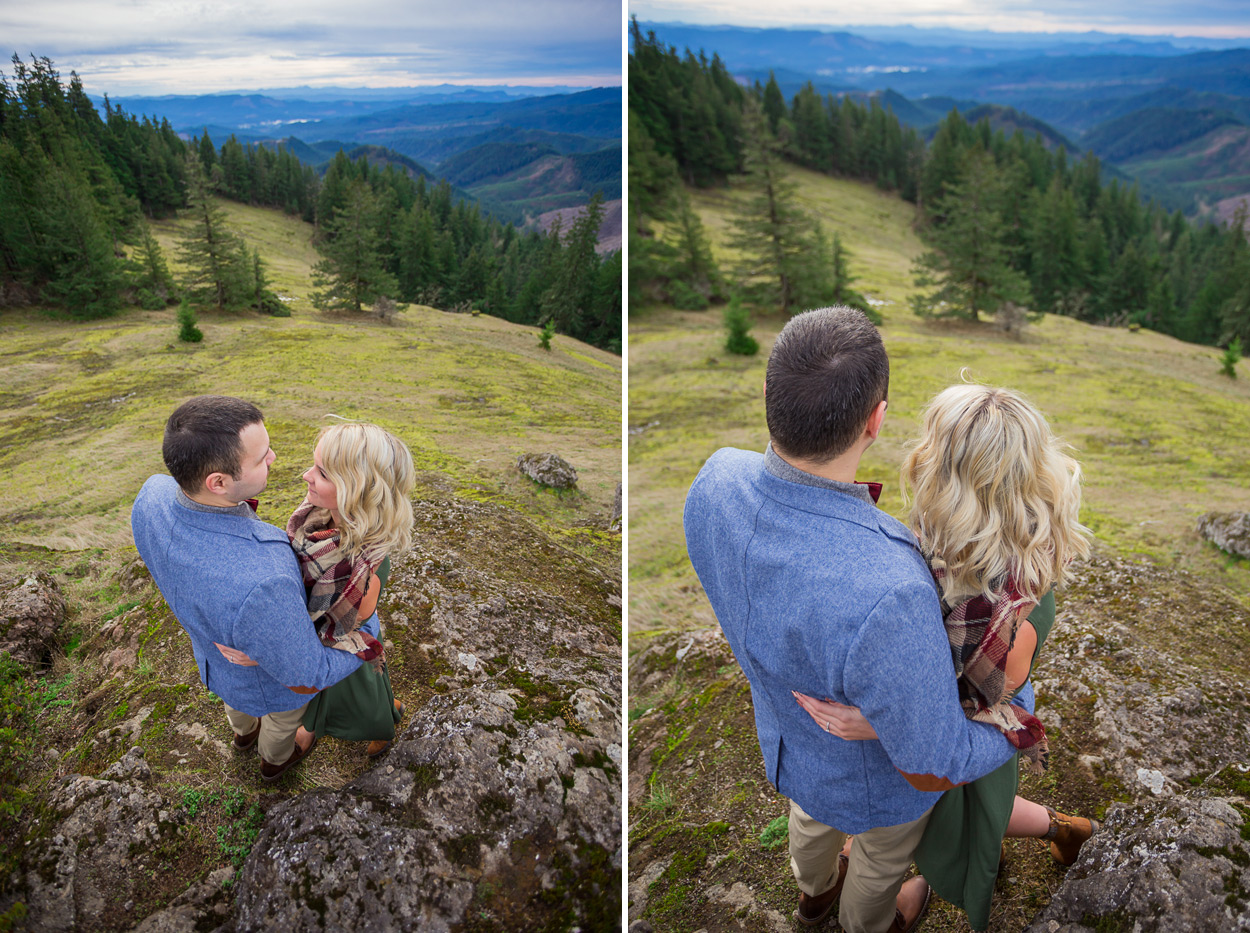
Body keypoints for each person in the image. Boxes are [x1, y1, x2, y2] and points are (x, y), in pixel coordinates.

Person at [683, 307, 1029, 933]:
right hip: (876, 787)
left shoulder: (713, 481)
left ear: (768, 393)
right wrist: (1017, 704)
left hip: (787, 746)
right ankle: (864, 925)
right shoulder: (893, 587)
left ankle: (813, 900)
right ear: (876, 419)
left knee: (809, 828)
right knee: (880, 860)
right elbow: (938, 755)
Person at [796, 381, 1097, 931]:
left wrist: (880, 722)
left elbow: (979, 707)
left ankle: (1062, 830)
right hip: (924, 724)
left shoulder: (1011, 607)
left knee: (965, 810)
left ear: (944, 468)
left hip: (949, 732)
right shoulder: (960, 538)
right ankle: (1063, 829)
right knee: (958, 811)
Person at [131, 396, 370, 782]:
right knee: (281, 723)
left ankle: (243, 736)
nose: (274, 457)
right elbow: (308, 672)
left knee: (237, 709)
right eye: (261, 458)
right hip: (269, 688)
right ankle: (274, 762)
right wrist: (367, 632)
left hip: (213, 662)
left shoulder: (152, 496)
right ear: (219, 482)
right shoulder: (267, 576)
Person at [289, 421, 414, 758]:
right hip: (318, 623)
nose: (306, 476)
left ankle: (382, 722)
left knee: (359, 683)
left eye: (322, 473)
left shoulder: (364, 567)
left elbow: (353, 622)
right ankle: (314, 723)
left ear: (356, 491)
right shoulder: (320, 517)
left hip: (343, 631)